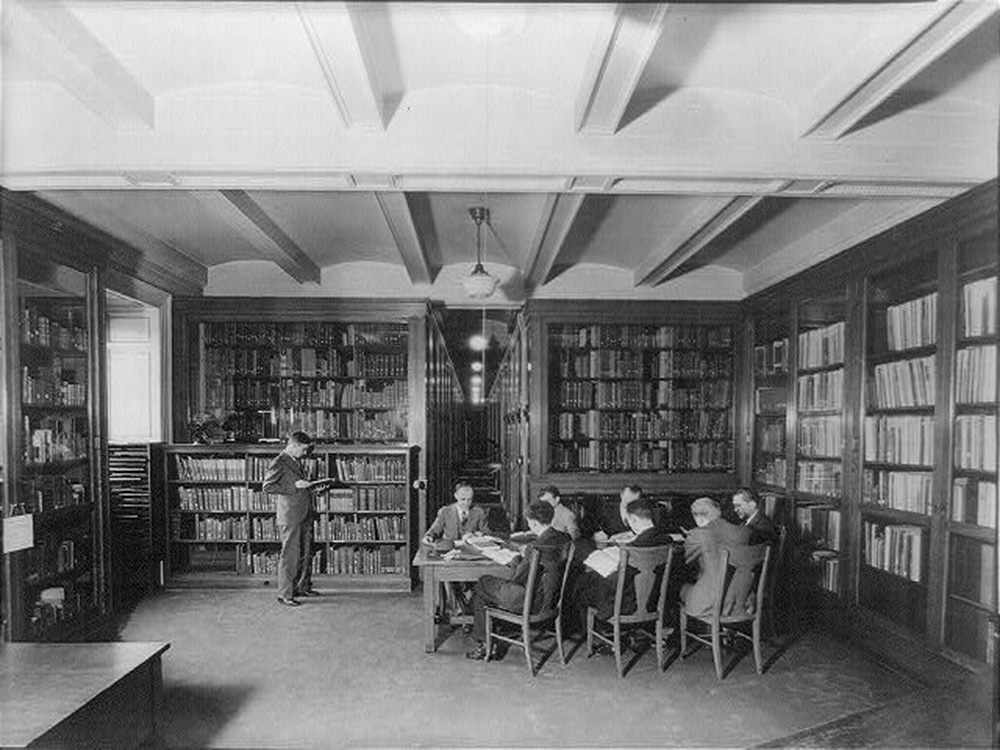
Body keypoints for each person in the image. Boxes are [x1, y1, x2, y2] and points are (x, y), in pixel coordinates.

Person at [465, 500, 572, 660]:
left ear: (534, 523)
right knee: (487, 589)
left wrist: (516, 560)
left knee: (483, 584)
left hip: (532, 602)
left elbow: (517, 579)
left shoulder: (534, 548)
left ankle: (485, 644)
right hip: (550, 602)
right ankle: (485, 631)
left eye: (529, 522)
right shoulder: (564, 538)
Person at [571, 498, 676, 630]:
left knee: (583, 585)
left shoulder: (634, 547)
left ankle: (599, 632)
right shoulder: (667, 540)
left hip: (629, 604)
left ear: (634, 519)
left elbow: (619, 579)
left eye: (629, 521)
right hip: (655, 600)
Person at [263, 431, 322, 606]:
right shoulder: (279, 462)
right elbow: (268, 487)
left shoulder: (296, 461)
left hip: (302, 512)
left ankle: (301, 587)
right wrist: (294, 486)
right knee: (290, 554)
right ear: (294, 445)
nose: (305, 453)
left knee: (304, 553)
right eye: (303, 449)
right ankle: (285, 594)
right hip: (290, 515)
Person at [680, 497, 751, 618]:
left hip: (710, 603)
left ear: (700, 518)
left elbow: (683, 561)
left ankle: (672, 633)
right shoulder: (744, 532)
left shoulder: (698, 534)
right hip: (741, 601)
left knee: (678, 586)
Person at [423, 480, 489, 545]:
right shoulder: (445, 511)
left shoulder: (479, 512)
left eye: (469, 499)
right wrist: (429, 537)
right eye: (463, 499)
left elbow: (486, 532)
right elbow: (434, 530)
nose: (466, 503)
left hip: (471, 551)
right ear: (456, 496)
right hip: (449, 549)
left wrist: (475, 535)